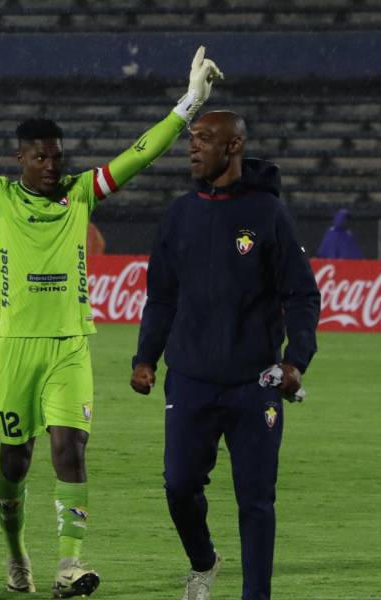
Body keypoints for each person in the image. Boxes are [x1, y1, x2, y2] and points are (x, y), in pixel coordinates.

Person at [0, 44, 223, 598]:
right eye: (40, 157)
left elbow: (136, 156)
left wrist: (188, 105)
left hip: (70, 343)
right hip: (14, 346)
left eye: (57, 156)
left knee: (71, 449)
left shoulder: (80, 193)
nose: (51, 165)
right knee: (14, 461)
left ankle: (69, 564)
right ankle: (17, 552)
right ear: (20, 158)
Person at [130, 111, 321, 600]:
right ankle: (203, 560)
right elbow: (162, 297)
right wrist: (146, 356)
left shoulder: (268, 215)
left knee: (256, 501)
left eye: (205, 139)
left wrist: (296, 360)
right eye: (191, 139)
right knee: (178, 485)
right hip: (190, 380)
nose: (192, 148)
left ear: (233, 147)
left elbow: (301, 295)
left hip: (255, 384)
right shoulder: (178, 215)